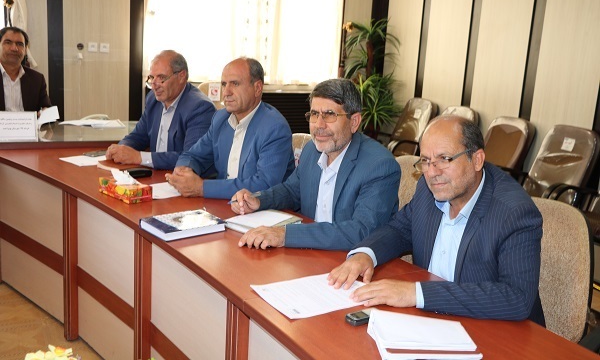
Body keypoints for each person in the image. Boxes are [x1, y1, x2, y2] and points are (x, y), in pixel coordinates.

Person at [328, 115, 545, 326]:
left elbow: (516, 298)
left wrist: (416, 293)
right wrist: (366, 254)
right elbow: (399, 230)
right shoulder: (428, 188)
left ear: (477, 160)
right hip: (431, 321)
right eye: (425, 161)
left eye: (444, 159)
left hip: (494, 330)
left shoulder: (514, 213)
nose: (432, 172)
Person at [232, 78, 401, 251]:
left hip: (351, 259)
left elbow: (360, 231)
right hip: (310, 253)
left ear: (354, 122)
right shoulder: (311, 150)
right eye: (314, 114)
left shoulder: (379, 166)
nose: (319, 125)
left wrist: (285, 235)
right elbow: (291, 191)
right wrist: (258, 200)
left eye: (330, 114)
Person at [166, 57, 294, 199]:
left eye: (235, 84)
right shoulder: (220, 118)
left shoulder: (275, 128)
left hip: (262, 209)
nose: (226, 92)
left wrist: (201, 187)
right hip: (223, 204)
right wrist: (183, 171)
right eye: (224, 84)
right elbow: (192, 155)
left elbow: (264, 184)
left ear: (257, 88)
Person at [106, 50, 215, 170]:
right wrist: (120, 149)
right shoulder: (153, 99)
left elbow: (191, 158)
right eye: (152, 77)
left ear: (181, 76)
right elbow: (138, 136)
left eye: (161, 78)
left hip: (180, 177)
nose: (154, 85)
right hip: (155, 173)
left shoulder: (200, 107)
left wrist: (139, 157)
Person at [0, 26, 51, 112]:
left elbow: (46, 107)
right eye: (8, 42)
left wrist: (45, 112)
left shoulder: (37, 79)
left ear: (26, 50)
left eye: (19, 44)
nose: (14, 48)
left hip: (29, 121)